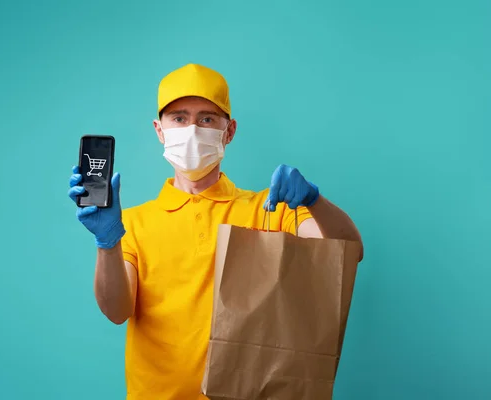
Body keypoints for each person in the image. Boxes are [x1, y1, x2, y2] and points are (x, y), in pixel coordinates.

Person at [68, 63, 363, 400]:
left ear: (230, 130)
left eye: (207, 119)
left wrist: (314, 200)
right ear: (159, 130)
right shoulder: (133, 224)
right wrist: (107, 242)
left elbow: (347, 252)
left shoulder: (269, 209)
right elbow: (116, 311)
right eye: (179, 118)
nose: (192, 129)